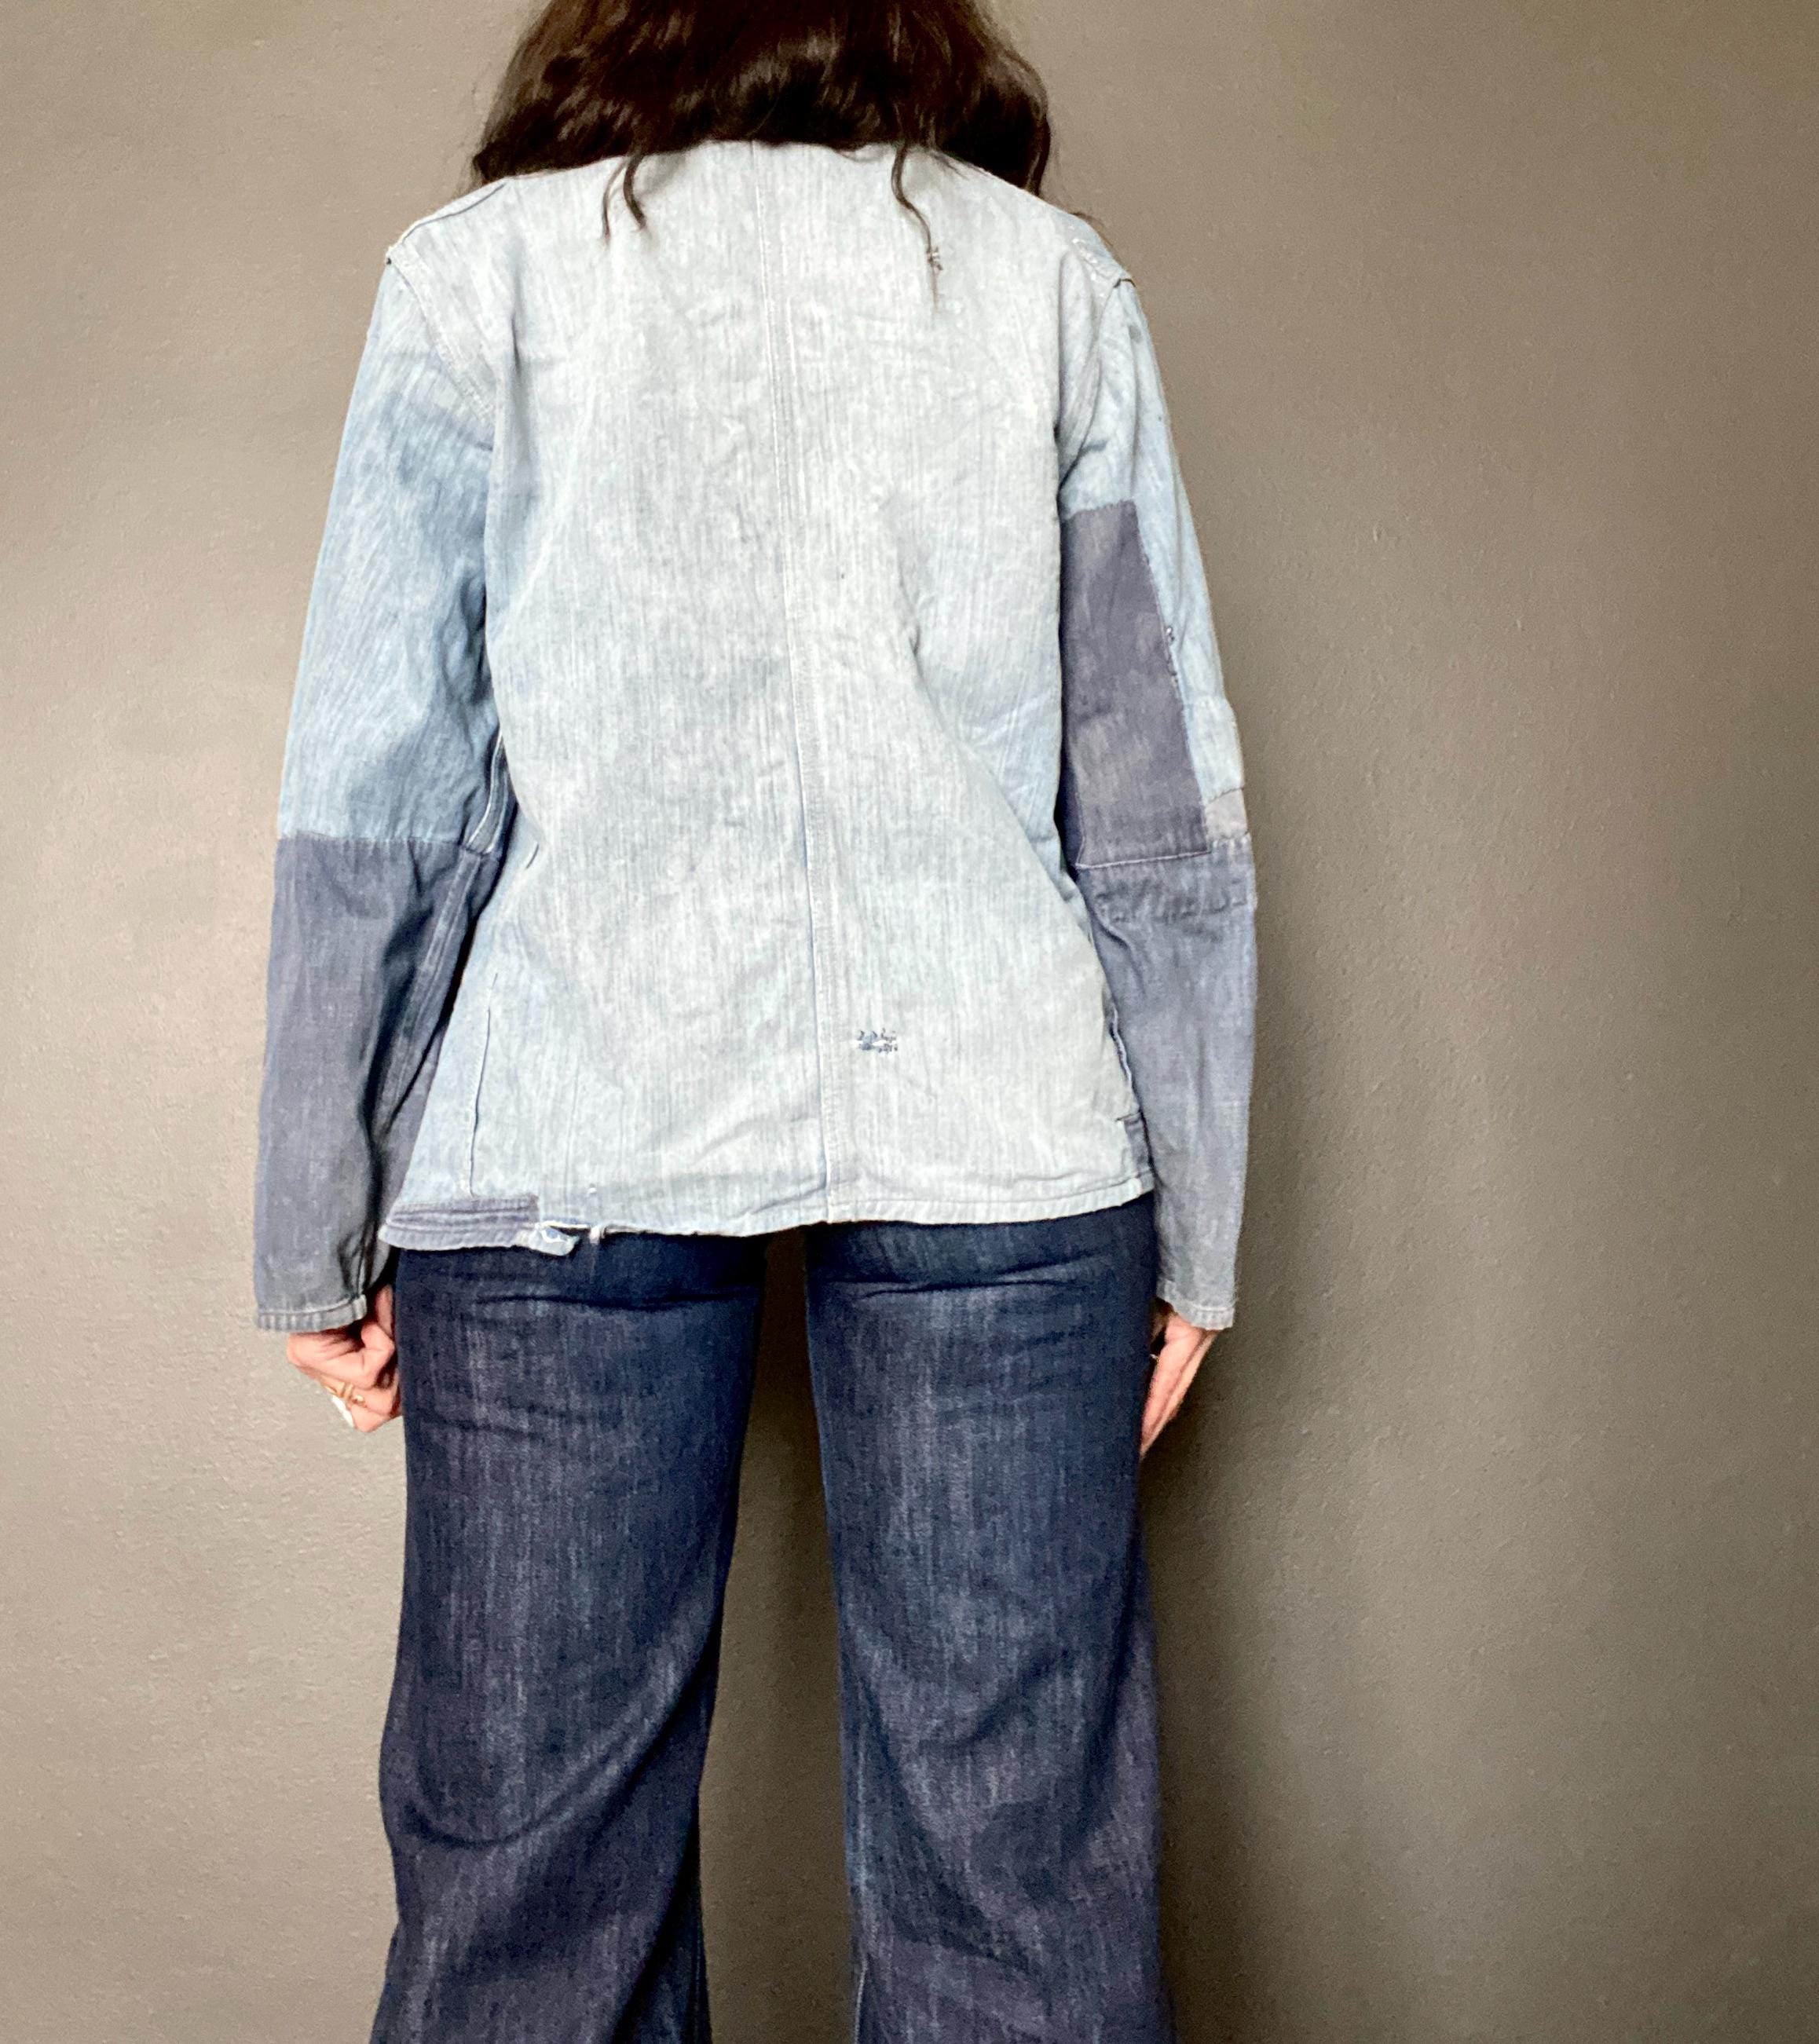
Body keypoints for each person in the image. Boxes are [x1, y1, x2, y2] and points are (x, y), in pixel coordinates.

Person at [251, 0, 1257, 2035]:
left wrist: (314, 1216)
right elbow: (1154, 802)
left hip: (568, 1113)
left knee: (526, 1893)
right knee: (1019, 1896)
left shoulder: (477, 283)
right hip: (999, 1123)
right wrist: (1202, 1222)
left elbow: (387, 794)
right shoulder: (1045, 283)